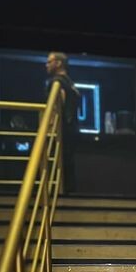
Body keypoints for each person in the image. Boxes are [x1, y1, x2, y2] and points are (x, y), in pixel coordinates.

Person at [45, 51, 81, 194]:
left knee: (58, 163)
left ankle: (58, 192)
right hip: (72, 129)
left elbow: (57, 107)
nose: (46, 65)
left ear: (58, 63)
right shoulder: (71, 83)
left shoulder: (56, 82)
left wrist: (49, 127)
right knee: (68, 163)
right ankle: (69, 192)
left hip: (61, 129)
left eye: (49, 61)